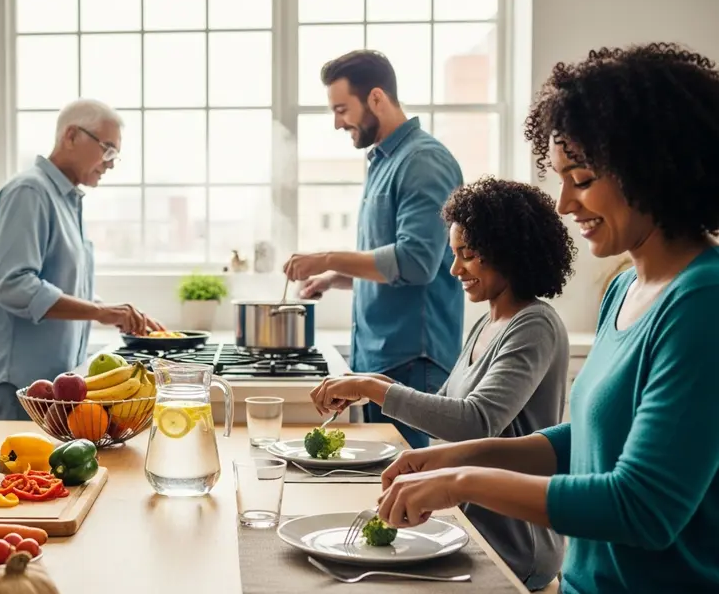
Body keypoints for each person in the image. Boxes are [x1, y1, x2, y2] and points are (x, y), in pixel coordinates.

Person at [373, 42, 719, 594]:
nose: (563, 204)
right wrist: (452, 459)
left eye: (580, 179)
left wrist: (463, 481)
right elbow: (590, 439)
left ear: (653, 169)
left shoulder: (703, 302)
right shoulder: (625, 288)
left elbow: (643, 508)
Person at [310, 176, 576, 589]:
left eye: (467, 255)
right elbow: (445, 408)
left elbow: (475, 421)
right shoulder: (488, 322)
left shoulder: (534, 325)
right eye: (454, 254)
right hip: (468, 523)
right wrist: (370, 382)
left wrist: (373, 389)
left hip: (514, 544)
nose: (454, 269)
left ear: (507, 250)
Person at [282, 50, 465, 449]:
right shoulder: (384, 161)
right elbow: (389, 265)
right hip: (381, 359)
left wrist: (326, 257)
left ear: (376, 98)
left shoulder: (423, 161)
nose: (337, 123)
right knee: (384, 477)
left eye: (342, 109)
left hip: (412, 360)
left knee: (407, 477)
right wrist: (334, 277)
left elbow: (415, 263)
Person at [0, 99, 165, 421]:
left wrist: (112, 313)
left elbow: (62, 283)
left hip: (47, 379)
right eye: (107, 149)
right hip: (19, 379)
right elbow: (14, 286)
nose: (110, 164)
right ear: (71, 136)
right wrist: (100, 312)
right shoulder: (29, 192)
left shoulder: (65, 199)